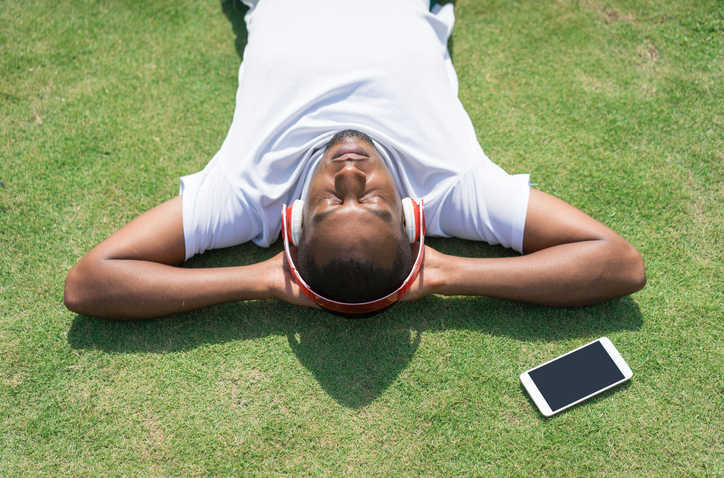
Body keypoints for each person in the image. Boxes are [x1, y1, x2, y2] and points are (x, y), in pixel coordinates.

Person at [64, 0, 646, 320]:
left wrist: (260, 279)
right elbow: (618, 262)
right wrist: (450, 273)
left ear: (293, 224)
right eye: (369, 201)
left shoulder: (249, 194)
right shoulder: (451, 188)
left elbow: (90, 282)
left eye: (328, 203)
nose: (348, 173)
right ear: (411, 219)